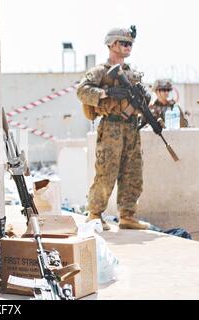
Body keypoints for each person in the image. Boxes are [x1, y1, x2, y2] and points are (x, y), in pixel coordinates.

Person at [77, 26, 150, 231]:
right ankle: (94, 214)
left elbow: (145, 99)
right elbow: (82, 91)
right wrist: (106, 93)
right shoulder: (101, 71)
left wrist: (145, 98)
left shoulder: (132, 74)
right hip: (111, 126)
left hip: (131, 127)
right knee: (106, 171)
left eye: (130, 44)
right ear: (112, 44)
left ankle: (127, 215)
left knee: (133, 172)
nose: (128, 47)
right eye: (124, 43)